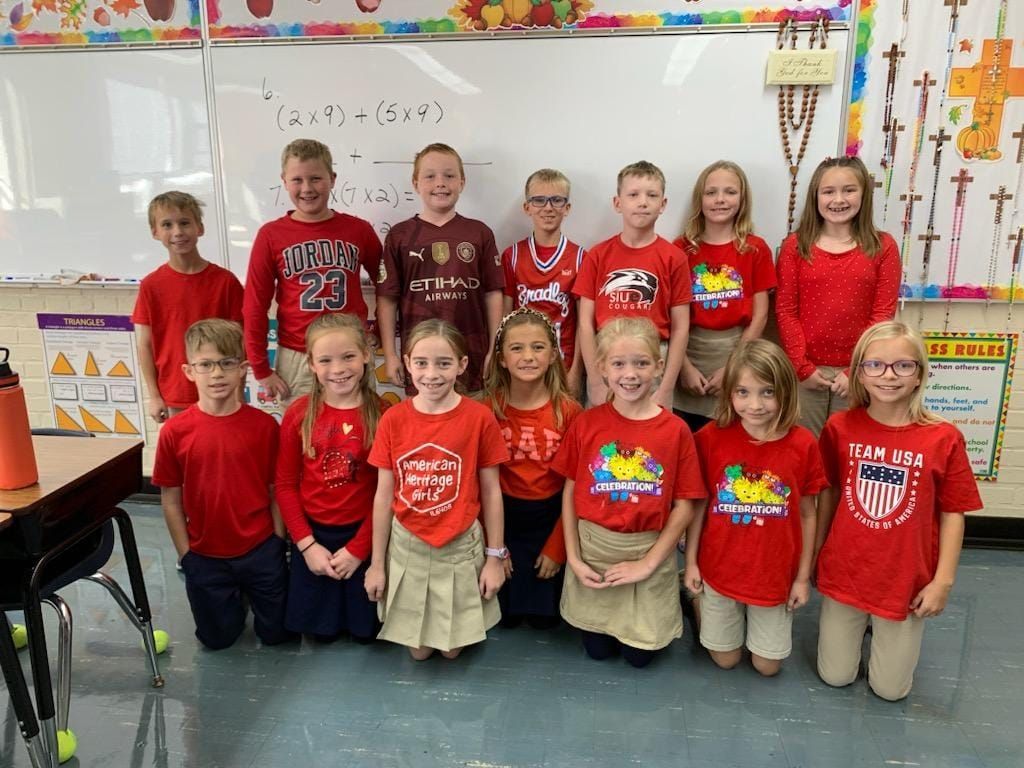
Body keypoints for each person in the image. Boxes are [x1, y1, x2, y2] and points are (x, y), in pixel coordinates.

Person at [815, 321, 982, 701]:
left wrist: (943, 581)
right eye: (875, 365)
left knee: (890, 691)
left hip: (905, 579)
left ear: (920, 372)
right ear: (858, 371)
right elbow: (830, 493)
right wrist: (818, 552)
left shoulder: (943, 437)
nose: (888, 376)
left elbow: (954, 512)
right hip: (847, 569)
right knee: (835, 676)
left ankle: (883, 636)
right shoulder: (839, 428)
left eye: (902, 366)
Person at [553, 317, 704, 667]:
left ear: (659, 366)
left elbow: (685, 505)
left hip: (648, 550)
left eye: (641, 362)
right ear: (602, 368)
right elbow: (571, 491)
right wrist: (573, 559)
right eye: (618, 364)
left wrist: (648, 564)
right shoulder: (587, 424)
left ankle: (674, 599)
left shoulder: (675, 430)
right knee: (598, 651)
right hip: (594, 550)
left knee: (639, 658)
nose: (630, 374)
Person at [364, 320, 509, 660]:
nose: (432, 374)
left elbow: (491, 492)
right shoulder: (393, 420)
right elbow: (384, 496)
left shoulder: (479, 418)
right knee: (419, 653)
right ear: (408, 361)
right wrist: (377, 564)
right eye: (422, 363)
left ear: (462, 365)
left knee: (451, 652)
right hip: (408, 545)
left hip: (458, 545)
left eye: (444, 363)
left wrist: (495, 558)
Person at [683, 340, 826, 676]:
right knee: (725, 660)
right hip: (718, 568)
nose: (755, 405)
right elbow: (699, 506)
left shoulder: (803, 443)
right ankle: (696, 602)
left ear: (786, 392)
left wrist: (802, 578)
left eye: (767, 392)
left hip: (774, 575)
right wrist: (690, 563)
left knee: (767, 666)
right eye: (743, 392)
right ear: (729, 393)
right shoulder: (710, 438)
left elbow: (808, 513)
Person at [152, 319, 292, 650]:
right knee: (217, 640)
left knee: (278, 637)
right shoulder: (174, 432)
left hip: (261, 550)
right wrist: (187, 556)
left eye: (227, 363)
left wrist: (277, 542)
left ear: (243, 369)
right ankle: (231, 601)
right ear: (189, 371)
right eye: (206, 365)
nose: (217, 374)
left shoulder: (264, 427)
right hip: (205, 555)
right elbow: (171, 500)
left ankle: (247, 594)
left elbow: (276, 490)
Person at [243, 138, 382, 404]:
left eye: (316, 178)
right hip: (298, 355)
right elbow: (254, 305)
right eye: (297, 180)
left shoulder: (359, 230)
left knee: (361, 432)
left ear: (332, 178)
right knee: (301, 438)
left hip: (352, 352)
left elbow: (388, 286)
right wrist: (261, 369)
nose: (307, 189)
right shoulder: (270, 235)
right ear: (284, 181)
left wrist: (377, 331)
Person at [275, 314, 383, 642]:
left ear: (366, 354)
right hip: (314, 537)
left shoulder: (383, 416)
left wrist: (359, 550)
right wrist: (307, 546)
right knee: (319, 636)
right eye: (326, 360)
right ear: (311, 364)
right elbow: (285, 485)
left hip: (363, 536)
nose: (338, 369)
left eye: (348, 356)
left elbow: (386, 493)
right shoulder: (297, 414)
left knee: (366, 635)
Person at [775, 156, 901, 435]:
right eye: (828, 191)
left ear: (863, 195)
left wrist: (856, 369)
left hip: (859, 371)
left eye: (849, 190)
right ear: (816, 196)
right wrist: (801, 367)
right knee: (805, 448)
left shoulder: (883, 246)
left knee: (848, 448)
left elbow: (882, 316)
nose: (838, 199)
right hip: (806, 371)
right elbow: (785, 310)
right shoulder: (795, 246)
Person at [481, 307, 582, 629]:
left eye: (538, 347)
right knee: (506, 619)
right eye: (516, 348)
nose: (528, 356)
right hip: (502, 518)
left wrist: (558, 547)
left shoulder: (570, 412)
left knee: (545, 621)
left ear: (553, 354)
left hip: (551, 519)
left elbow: (577, 489)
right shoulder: (485, 411)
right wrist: (495, 549)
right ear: (501, 358)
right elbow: (477, 487)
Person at [376, 143, 504, 395]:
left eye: (449, 175)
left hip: (472, 359)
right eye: (430, 176)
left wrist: (494, 349)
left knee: (469, 428)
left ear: (462, 182)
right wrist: (391, 354)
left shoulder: (479, 232)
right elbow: (387, 299)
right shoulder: (400, 236)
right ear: (415, 183)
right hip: (421, 364)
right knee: (423, 432)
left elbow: (493, 293)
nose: (440, 183)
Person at [575, 161, 690, 410]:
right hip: (606, 357)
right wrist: (595, 380)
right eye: (633, 195)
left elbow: (681, 327)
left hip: (652, 358)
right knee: (603, 438)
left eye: (652, 195)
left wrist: (667, 387)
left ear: (663, 204)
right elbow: (585, 322)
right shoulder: (598, 255)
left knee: (652, 440)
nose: (643, 202)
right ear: (618, 203)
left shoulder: (674, 258)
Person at [673, 161, 775, 434]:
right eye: (711, 192)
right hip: (688, 352)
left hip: (736, 352)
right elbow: (672, 315)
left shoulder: (755, 248)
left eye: (730, 192)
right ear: (700, 199)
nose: (720, 199)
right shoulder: (680, 248)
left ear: (742, 199)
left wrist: (733, 366)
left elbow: (761, 314)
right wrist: (683, 366)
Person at [133, 192, 243, 424]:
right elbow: (145, 345)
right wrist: (154, 396)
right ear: (155, 232)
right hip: (176, 394)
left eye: (185, 223)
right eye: (167, 225)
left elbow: (240, 342)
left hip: (222, 392)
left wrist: (238, 392)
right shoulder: (151, 286)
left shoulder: (225, 282)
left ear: (199, 228)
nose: (178, 232)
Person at [501, 169, 587, 396]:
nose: (548, 208)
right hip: (523, 367)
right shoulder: (512, 256)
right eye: (539, 200)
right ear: (527, 207)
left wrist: (576, 371)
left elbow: (583, 323)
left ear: (567, 207)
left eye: (557, 200)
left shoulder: (580, 257)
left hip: (563, 365)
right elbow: (505, 319)